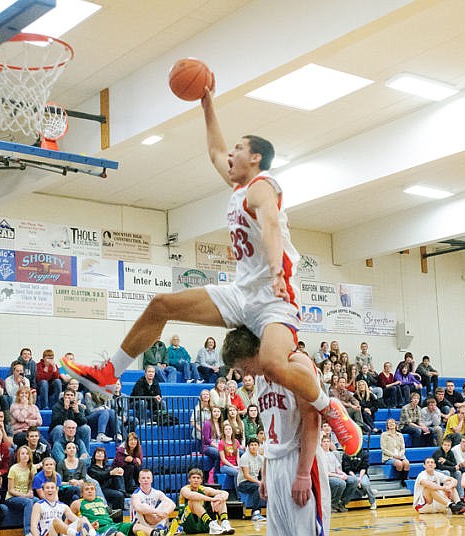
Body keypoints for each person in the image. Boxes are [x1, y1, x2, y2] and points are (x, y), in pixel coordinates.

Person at [62, 92, 362, 456]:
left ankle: (329, 407)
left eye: (239, 149)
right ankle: (110, 373)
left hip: (273, 298)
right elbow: (216, 153)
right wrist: (207, 104)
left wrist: (275, 271)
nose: (230, 154)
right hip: (241, 293)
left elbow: (269, 223)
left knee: (272, 364)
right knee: (160, 305)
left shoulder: (262, 186)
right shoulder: (238, 187)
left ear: (255, 158)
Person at [221, 325, 330, 536]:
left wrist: (302, 473)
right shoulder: (261, 380)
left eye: (245, 366)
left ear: (258, 351)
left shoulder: (296, 364)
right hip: (275, 463)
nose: (246, 375)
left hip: (301, 459)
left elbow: (311, 419)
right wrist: (267, 472)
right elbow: (272, 430)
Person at [179, 468, 233, 535]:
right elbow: (191, 495)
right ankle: (211, 524)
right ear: (189, 479)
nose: (196, 480)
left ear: (201, 480)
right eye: (193, 478)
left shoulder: (204, 489)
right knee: (193, 501)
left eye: (198, 478)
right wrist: (212, 499)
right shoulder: (185, 489)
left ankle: (224, 522)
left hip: (203, 522)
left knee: (220, 498)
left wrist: (219, 499)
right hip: (188, 523)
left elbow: (225, 492)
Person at [5, 444, 37, 535]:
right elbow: (10, 490)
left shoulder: (32, 468)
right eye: (22, 453)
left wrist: (30, 492)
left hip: (26, 496)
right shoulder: (13, 469)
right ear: (18, 456)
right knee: (28, 502)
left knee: (38, 502)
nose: (25, 455)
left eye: (27, 453)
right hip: (12, 498)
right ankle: (28, 532)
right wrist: (25, 495)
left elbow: (30, 485)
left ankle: (40, 528)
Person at [50, 390, 91, 457]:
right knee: (59, 428)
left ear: (74, 397)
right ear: (64, 397)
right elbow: (56, 422)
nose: (69, 397)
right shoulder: (57, 407)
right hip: (59, 430)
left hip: (74, 430)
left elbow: (83, 422)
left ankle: (85, 455)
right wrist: (65, 409)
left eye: (71, 395)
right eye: (67, 395)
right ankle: (59, 455)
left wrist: (77, 412)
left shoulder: (78, 407)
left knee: (86, 428)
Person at [236, 437, 266, 521]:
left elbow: (263, 473)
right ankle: (255, 513)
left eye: (255, 445)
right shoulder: (245, 457)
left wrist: (264, 482)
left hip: (253, 482)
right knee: (258, 486)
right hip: (243, 483)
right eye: (251, 445)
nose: (253, 447)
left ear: (258, 446)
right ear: (248, 447)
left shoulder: (261, 458)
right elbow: (246, 475)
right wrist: (260, 483)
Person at [87, 447, 125, 512]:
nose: (100, 454)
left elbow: (113, 473)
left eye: (102, 453)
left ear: (104, 456)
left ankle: (122, 491)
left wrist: (119, 470)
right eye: (98, 452)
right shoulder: (92, 468)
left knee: (117, 473)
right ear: (94, 456)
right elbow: (100, 476)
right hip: (101, 489)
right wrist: (111, 473)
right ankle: (116, 514)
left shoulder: (108, 467)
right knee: (119, 495)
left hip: (111, 487)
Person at [342, 445, 378, 510]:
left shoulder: (364, 454)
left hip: (361, 474)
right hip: (350, 474)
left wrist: (360, 478)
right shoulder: (346, 455)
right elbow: (347, 469)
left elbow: (364, 467)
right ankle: (367, 491)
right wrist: (356, 479)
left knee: (365, 484)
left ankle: (372, 501)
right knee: (353, 483)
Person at [381, 418, 409, 482]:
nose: (391, 424)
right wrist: (394, 456)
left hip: (400, 455)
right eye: (389, 423)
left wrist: (401, 454)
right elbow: (384, 449)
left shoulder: (400, 435)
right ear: (387, 425)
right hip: (389, 457)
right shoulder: (384, 435)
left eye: (393, 422)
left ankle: (404, 480)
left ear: (396, 425)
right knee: (399, 463)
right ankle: (399, 480)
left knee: (406, 463)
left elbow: (403, 447)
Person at [217, 422, 241, 487]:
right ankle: (238, 495)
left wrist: (239, 465)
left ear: (232, 431)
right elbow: (223, 459)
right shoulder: (221, 443)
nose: (228, 431)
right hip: (224, 466)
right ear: (224, 432)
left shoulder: (236, 441)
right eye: (226, 429)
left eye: (229, 429)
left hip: (235, 465)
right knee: (237, 473)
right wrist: (233, 467)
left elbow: (237, 456)